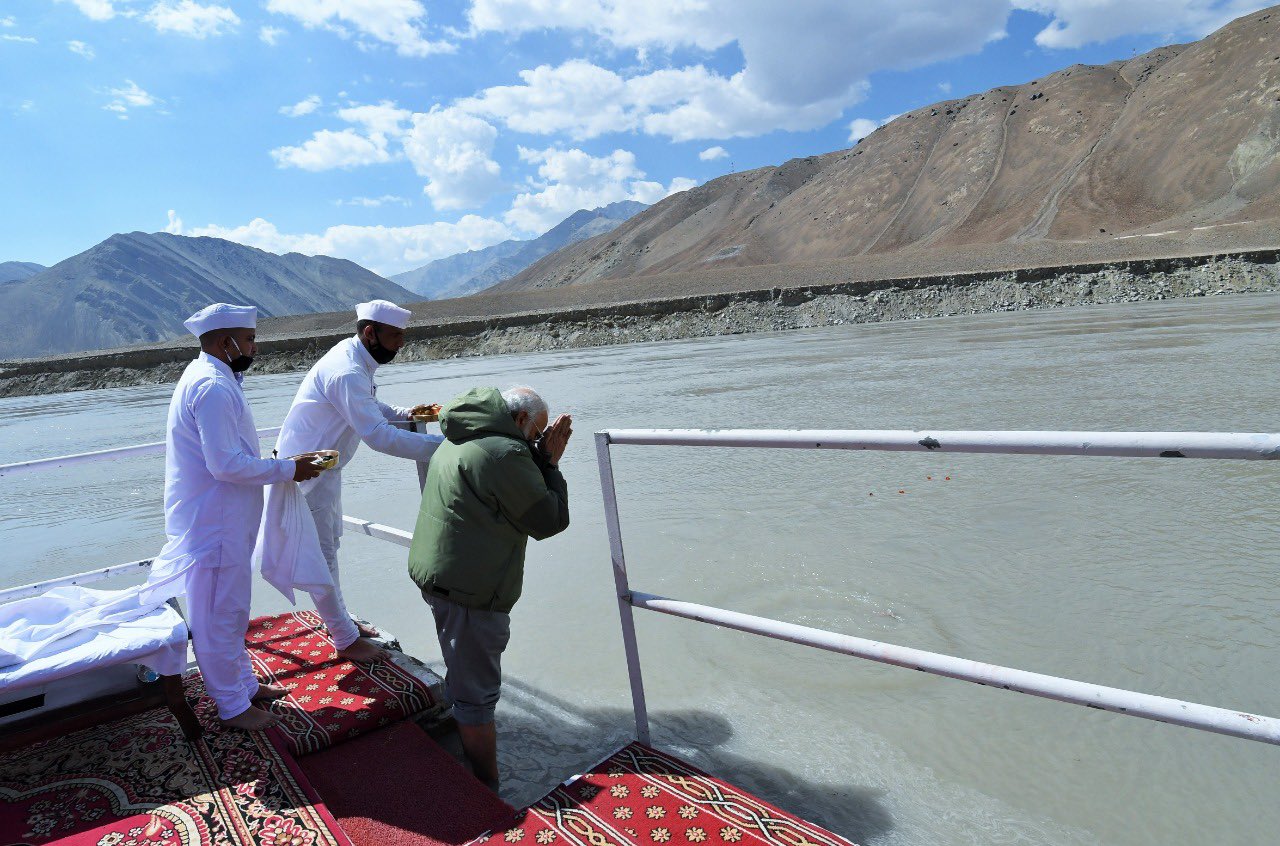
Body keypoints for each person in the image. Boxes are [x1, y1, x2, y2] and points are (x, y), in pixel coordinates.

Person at [147, 303, 322, 730]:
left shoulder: (218, 378)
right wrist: (288, 469)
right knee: (216, 615)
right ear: (225, 343)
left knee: (231, 609)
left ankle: (243, 684)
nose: (254, 348)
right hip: (214, 521)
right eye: (248, 341)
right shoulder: (211, 387)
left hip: (226, 519)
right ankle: (231, 706)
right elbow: (224, 464)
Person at [407, 386, 572, 790]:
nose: (537, 439)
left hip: (441, 575)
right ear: (518, 421)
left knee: (464, 673)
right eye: (536, 432)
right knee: (477, 695)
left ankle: (471, 755)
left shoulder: (463, 434)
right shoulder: (506, 453)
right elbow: (548, 520)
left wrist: (536, 455)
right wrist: (549, 463)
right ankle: (486, 792)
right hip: (470, 590)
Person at [271, 300, 444, 662]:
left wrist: (410, 414)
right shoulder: (347, 370)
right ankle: (345, 639)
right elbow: (379, 437)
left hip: (323, 468)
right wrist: (445, 447)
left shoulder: (352, 358)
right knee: (322, 557)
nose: (400, 344)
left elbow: (370, 407)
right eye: (395, 336)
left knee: (330, 545)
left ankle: (341, 622)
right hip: (308, 471)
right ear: (370, 332)